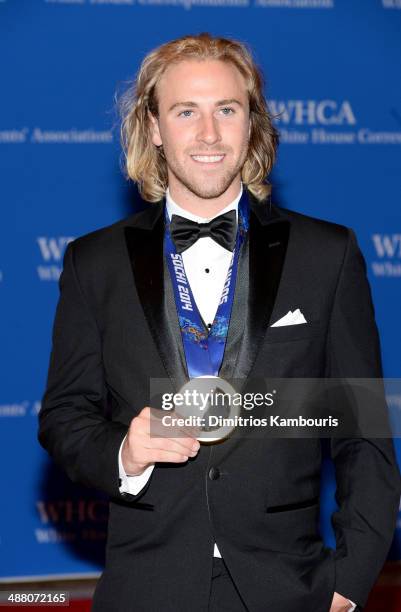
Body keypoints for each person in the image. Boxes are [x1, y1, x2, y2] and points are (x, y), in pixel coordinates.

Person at [38, 33, 401, 612]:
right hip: (145, 590)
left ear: (252, 123)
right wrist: (124, 453)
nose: (208, 134)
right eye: (186, 112)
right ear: (154, 126)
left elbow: (365, 436)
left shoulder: (326, 255)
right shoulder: (94, 262)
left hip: (292, 590)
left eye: (226, 110)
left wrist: (348, 585)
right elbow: (64, 418)